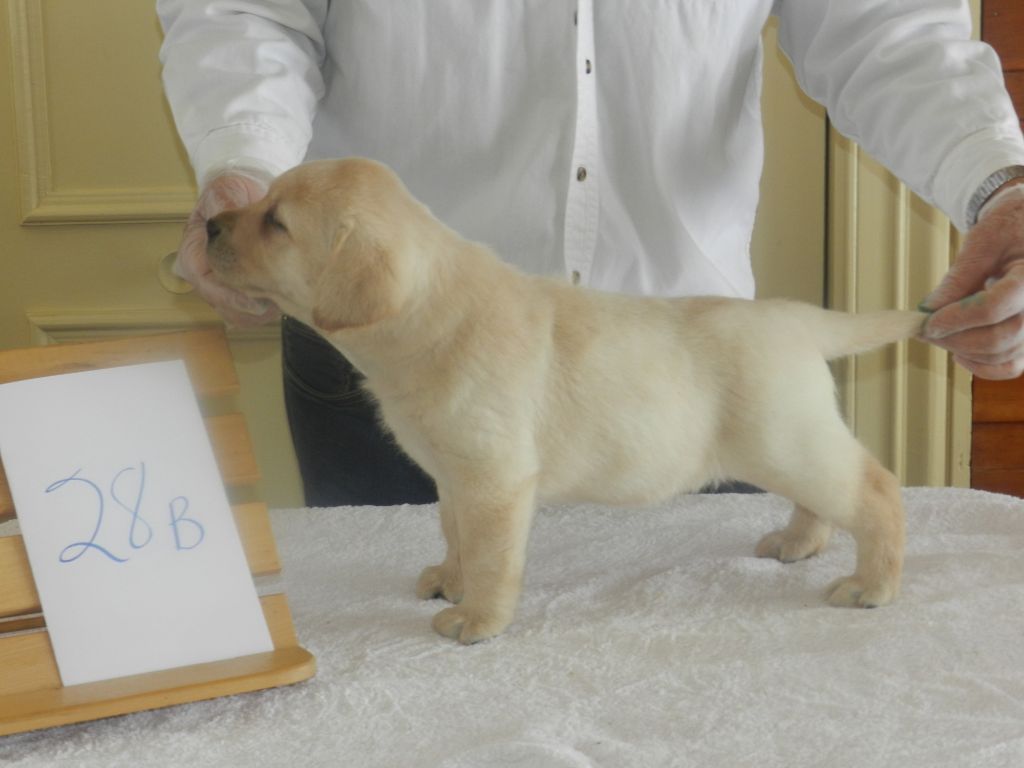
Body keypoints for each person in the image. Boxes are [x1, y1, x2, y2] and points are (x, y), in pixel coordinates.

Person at [157, 1, 1024, 507]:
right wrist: (249, 168)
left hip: (682, 374)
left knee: (693, 711)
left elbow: (884, 25)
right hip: (386, 348)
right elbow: (247, 8)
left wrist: (1000, 187)